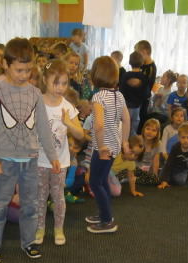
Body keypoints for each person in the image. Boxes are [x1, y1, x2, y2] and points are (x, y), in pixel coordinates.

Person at [0, 37, 59, 263]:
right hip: (4, 160)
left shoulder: (35, 93)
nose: (24, 75)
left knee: (31, 205)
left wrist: (53, 156)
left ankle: (29, 242)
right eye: (19, 70)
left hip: (30, 159)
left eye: (28, 70)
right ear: (6, 64)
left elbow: (43, 128)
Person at [35, 60, 84, 247]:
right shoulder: (37, 102)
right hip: (39, 160)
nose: (60, 88)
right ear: (45, 80)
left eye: (64, 83)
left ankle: (58, 228)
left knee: (58, 196)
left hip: (60, 161)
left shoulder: (67, 106)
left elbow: (80, 135)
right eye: (56, 83)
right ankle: (40, 228)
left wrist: (69, 123)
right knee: (40, 196)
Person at [86, 56, 130, 234]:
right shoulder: (119, 95)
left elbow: (99, 125)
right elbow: (126, 119)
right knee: (102, 180)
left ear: (95, 75)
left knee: (95, 182)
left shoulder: (98, 97)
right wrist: (125, 142)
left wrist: (101, 147)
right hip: (115, 146)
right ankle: (105, 213)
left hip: (103, 148)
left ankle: (107, 220)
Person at [158, 122, 188, 191]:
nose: (186, 140)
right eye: (183, 137)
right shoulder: (175, 147)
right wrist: (164, 180)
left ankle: (187, 175)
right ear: (179, 138)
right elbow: (169, 163)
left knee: (180, 181)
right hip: (173, 166)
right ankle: (166, 174)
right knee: (161, 178)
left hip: (183, 169)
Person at [119, 51, 149, 137]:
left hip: (125, 106)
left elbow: (121, 91)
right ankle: (132, 140)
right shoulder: (144, 77)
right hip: (137, 106)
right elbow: (146, 94)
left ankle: (123, 140)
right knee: (134, 125)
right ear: (142, 63)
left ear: (129, 62)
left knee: (124, 124)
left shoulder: (125, 75)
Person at [134, 40, 156, 134]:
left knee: (140, 121)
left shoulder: (151, 67)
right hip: (137, 98)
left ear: (144, 52)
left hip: (143, 100)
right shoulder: (142, 65)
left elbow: (145, 85)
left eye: (137, 53)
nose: (137, 56)